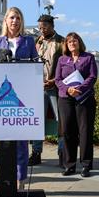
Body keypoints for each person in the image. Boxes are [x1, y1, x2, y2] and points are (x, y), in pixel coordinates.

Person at [0, 7, 38, 190]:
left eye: (18, 18)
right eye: (12, 18)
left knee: (21, 142)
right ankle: (1, 178)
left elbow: (36, 67)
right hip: (1, 98)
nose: (15, 21)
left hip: (21, 98)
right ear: (6, 21)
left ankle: (20, 178)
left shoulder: (28, 42)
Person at [55, 32, 97, 178]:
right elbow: (58, 79)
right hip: (65, 99)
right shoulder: (62, 59)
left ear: (79, 42)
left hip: (84, 99)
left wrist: (79, 89)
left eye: (75, 41)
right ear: (66, 44)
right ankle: (69, 165)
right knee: (67, 132)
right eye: (69, 41)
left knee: (85, 132)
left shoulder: (88, 57)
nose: (72, 43)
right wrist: (68, 89)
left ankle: (86, 165)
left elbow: (92, 76)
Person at [30, 14, 65, 167]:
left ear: (52, 26)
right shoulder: (36, 42)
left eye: (44, 27)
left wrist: (54, 80)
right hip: (38, 87)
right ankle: (36, 153)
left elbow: (66, 65)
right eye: (39, 28)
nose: (41, 30)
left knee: (60, 121)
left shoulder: (61, 42)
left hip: (55, 87)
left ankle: (62, 153)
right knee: (37, 121)